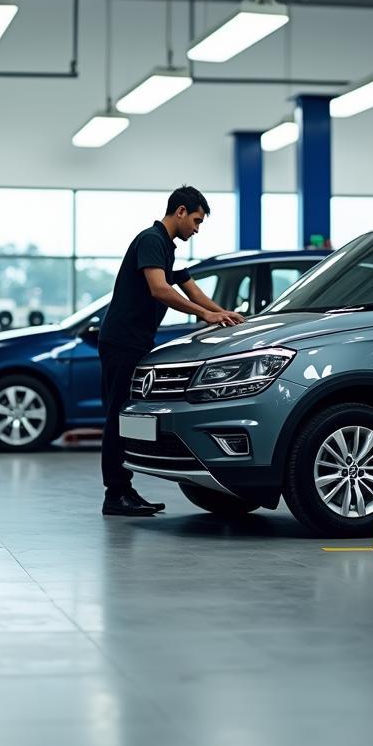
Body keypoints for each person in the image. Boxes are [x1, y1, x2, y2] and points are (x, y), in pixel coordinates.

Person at [98, 185, 246, 517]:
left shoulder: (167, 247)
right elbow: (160, 289)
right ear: (180, 211)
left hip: (135, 340)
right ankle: (116, 493)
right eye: (196, 220)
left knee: (126, 415)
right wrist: (204, 315)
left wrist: (224, 313)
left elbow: (189, 287)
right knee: (116, 417)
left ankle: (123, 490)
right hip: (122, 340)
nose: (196, 229)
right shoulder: (151, 240)